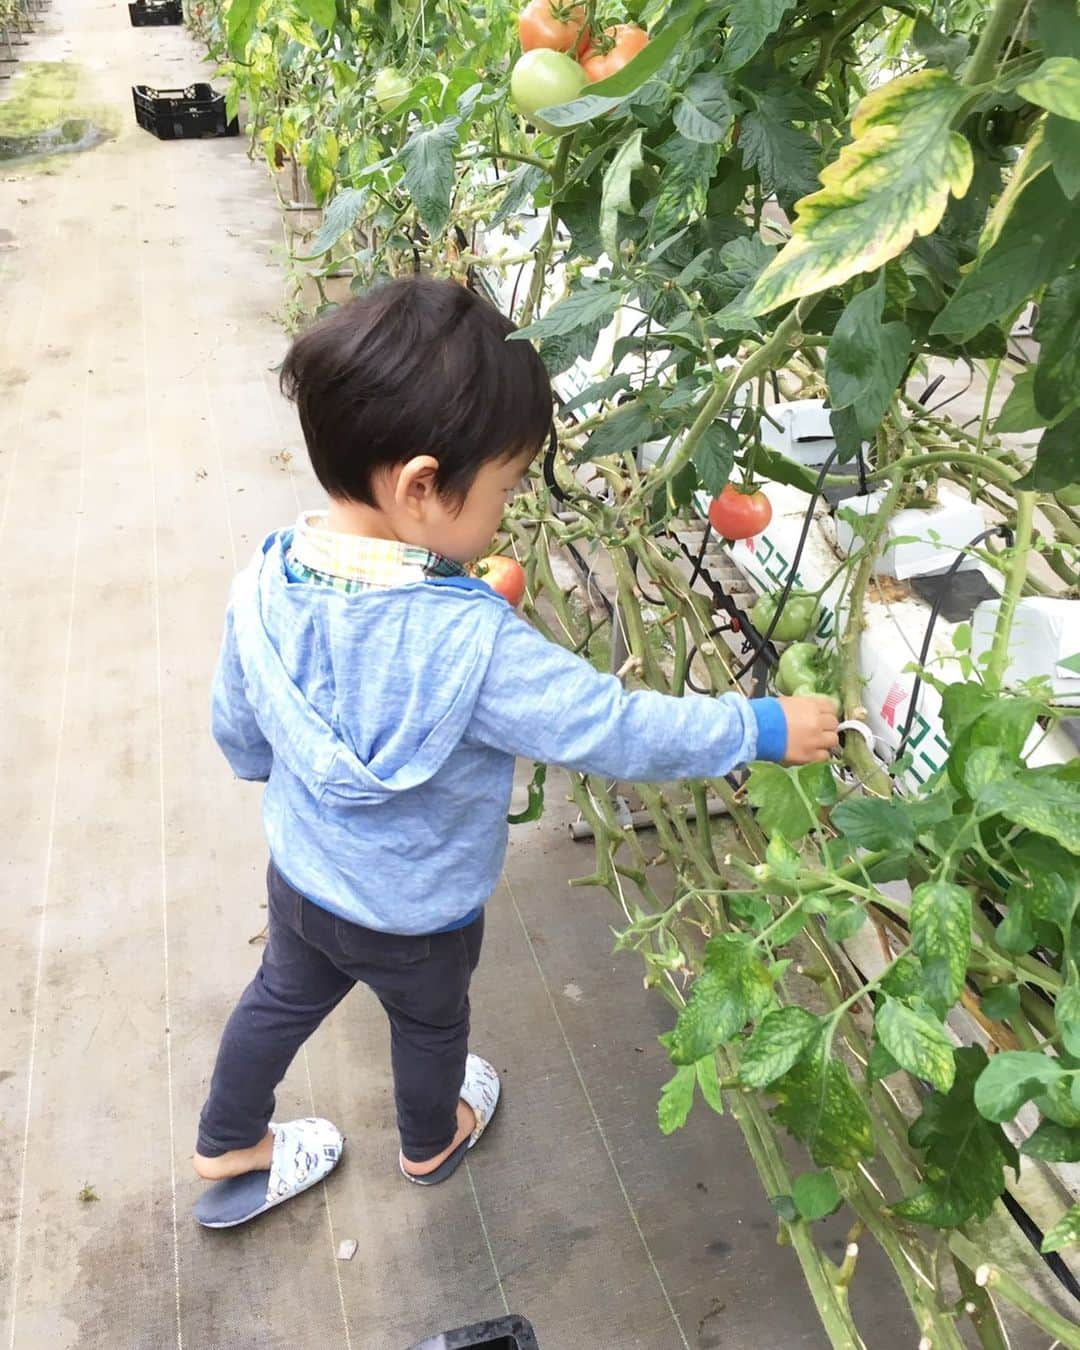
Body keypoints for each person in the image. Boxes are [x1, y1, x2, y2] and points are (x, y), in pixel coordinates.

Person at [191, 276, 840, 1228]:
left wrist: (279, 779)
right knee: (429, 1023)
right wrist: (762, 727)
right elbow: (617, 729)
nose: (507, 510)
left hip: (302, 872)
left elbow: (238, 728)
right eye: (503, 489)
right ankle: (429, 1140)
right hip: (417, 912)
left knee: (278, 1001)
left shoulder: (265, 579)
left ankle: (228, 1142)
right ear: (421, 487)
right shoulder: (478, 647)